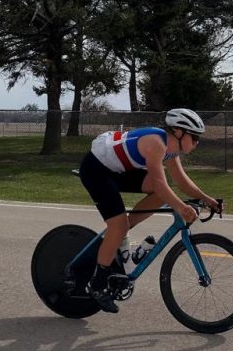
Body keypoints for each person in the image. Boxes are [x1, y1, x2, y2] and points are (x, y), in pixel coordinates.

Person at [78, 108, 221, 313]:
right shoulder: (156, 143)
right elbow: (160, 184)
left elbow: (181, 181)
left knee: (149, 200)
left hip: (115, 170)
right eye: (195, 137)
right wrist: (181, 207)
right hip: (96, 170)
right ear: (179, 133)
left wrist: (207, 199)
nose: (197, 142)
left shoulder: (171, 149)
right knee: (118, 225)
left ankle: (122, 232)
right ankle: (97, 284)